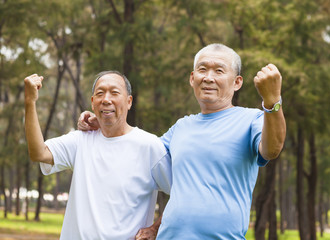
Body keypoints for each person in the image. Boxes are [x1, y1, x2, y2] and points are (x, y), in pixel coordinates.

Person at [78, 43, 286, 239]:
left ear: (237, 82)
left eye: (219, 71)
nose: (209, 78)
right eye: (202, 70)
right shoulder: (181, 127)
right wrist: (107, 121)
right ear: (192, 78)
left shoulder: (253, 119)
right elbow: (140, 152)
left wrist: (272, 102)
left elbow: (272, 149)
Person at [24, 71, 172, 240]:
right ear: (93, 103)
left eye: (115, 93)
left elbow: (181, 192)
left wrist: (156, 228)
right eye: (100, 93)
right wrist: (30, 102)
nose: (106, 99)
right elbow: (39, 153)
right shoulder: (81, 141)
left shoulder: (150, 146)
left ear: (129, 101)